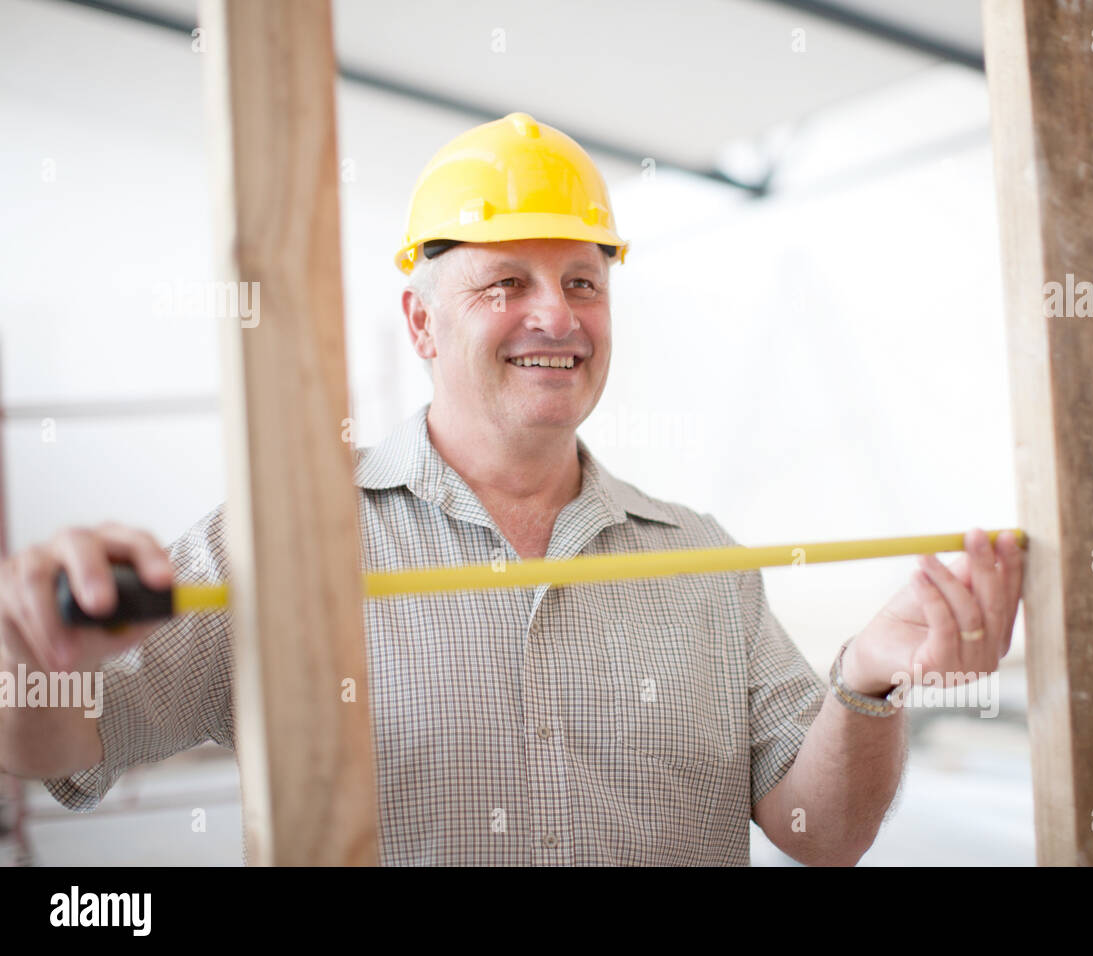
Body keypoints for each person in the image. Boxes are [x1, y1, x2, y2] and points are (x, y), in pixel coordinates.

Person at [0, 112, 1023, 866]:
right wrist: (31, 651)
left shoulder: (702, 560)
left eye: (583, 280)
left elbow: (821, 830)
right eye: (506, 283)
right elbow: (63, 746)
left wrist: (871, 678)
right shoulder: (284, 548)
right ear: (420, 321)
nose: (557, 316)